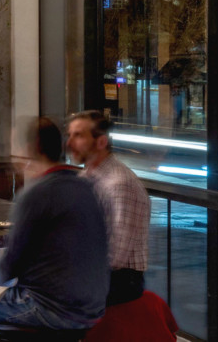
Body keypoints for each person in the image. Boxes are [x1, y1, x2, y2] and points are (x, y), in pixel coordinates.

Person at [0, 118, 108, 342]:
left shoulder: (37, 193)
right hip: (92, 308)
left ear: (29, 148)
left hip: (48, 307)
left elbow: (11, 262)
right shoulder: (87, 187)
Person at [68, 110, 149, 306]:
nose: (69, 143)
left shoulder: (118, 183)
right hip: (95, 271)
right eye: (69, 135)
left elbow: (115, 256)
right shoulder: (87, 176)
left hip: (120, 280)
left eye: (78, 136)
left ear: (101, 142)